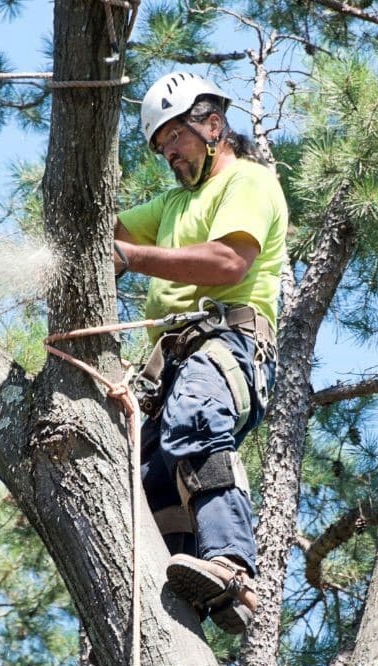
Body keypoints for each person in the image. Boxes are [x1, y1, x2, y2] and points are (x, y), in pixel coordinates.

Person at [113, 71, 287, 635]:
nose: (170, 155)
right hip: (169, 370)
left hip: (228, 344)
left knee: (194, 419)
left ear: (213, 124)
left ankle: (232, 564)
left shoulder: (249, 182)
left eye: (176, 139)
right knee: (145, 478)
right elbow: (104, 233)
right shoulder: (168, 206)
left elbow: (227, 263)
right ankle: (182, 601)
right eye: (161, 148)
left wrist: (133, 258)